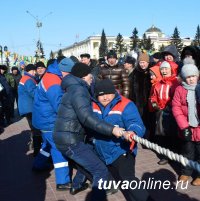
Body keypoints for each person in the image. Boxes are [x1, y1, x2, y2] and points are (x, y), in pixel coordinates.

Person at [53, 62, 127, 201]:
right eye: (89, 75)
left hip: (66, 137)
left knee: (87, 160)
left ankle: (76, 185)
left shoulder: (71, 88)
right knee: (100, 170)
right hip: (70, 140)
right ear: (83, 76)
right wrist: (112, 129)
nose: (91, 78)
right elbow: (87, 118)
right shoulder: (79, 91)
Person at [92, 79, 153, 201]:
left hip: (121, 149)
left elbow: (136, 123)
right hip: (100, 148)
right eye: (101, 95)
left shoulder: (126, 104)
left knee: (128, 179)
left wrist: (132, 131)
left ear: (114, 92)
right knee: (95, 173)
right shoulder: (91, 105)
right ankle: (109, 186)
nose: (105, 97)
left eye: (108, 93)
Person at [32, 58, 74, 190]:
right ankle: (63, 181)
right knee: (58, 148)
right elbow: (59, 104)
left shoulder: (50, 75)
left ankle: (38, 165)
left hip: (43, 119)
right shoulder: (54, 81)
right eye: (70, 74)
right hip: (49, 121)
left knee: (47, 145)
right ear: (64, 71)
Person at [172, 63, 200, 186]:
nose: (191, 79)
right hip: (187, 127)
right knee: (187, 150)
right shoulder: (179, 89)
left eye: (193, 76)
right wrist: (184, 126)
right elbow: (176, 107)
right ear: (183, 78)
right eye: (188, 77)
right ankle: (186, 172)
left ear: (197, 76)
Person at [149, 61, 180, 165]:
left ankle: (175, 156)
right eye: (162, 69)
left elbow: (178, 96)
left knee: (174, 135)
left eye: (166, 68)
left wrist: (170, 106)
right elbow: (153, 97)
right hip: (161, 112)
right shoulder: (158, 83)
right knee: (162, 135)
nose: (164, 71)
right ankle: (165, 156)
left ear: (170, 69)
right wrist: (154, 104)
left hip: (173, 112)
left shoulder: (176, 82)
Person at [18, 64, 41, 155]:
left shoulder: (25, 78)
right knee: (36, 129)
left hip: (26, 107)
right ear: (32, 71)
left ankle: (33, 145)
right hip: (30, 107)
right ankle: (36, 150)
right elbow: (33, 93)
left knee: (33, 128)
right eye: (35, 70)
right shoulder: (29, 80)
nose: (35, 72)